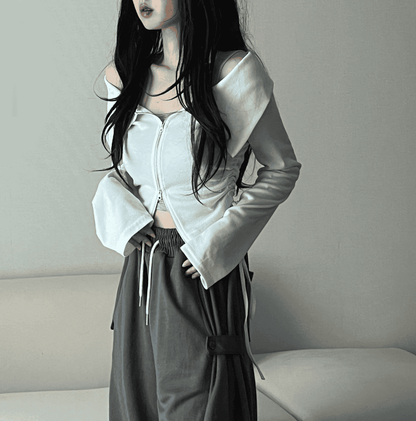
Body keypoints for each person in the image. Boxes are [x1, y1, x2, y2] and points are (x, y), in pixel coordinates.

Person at [92, 0, 301, 419]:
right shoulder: (124, 75)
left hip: (200, 270)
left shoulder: (234, 74)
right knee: (136, 403)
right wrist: (124, 220)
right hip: (142, 269)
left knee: (200, 403)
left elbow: (282, 168)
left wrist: (216, 245)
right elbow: (125, 173)